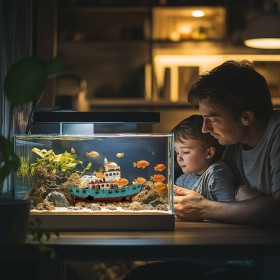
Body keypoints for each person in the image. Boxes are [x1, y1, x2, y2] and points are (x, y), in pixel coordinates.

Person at [174, 59, 280, 226]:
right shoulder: (234, 142)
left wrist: (204, 209)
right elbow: (234, 195)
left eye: (212, 119)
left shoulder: (277, 134)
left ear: (246, 117)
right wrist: (240, 193)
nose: (204, 128)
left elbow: (276, 211)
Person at [170, 114, 236, 202]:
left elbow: (229, 208)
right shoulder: (183, 179)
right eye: (177, 152)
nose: (179, 158)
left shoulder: (216, 175)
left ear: (209, 153)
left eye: (186, 152)